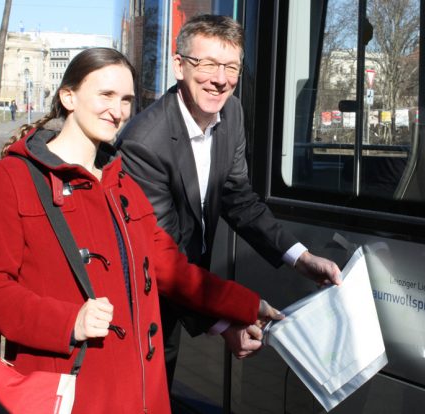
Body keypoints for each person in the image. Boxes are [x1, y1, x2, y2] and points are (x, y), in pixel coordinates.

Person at [0, 47, 283, 414]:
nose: (118, 110)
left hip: (144, 393)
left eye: (127, 99)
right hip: (69, 392)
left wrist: (246, 305)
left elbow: (169, 268)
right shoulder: (9, 180)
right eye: (106, 95)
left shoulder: (122, 182)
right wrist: (69, 321)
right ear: (69, 96)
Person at [118, 14, 342, 388]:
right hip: (144, 303)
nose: (220, 79)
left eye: (231, 67)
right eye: (207, 64)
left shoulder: (231, 113)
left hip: (182, 290)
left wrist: (300, 259)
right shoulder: (145, 143)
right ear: (179, 66)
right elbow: (161, 261)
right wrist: (223, 322)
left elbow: (239, 198)